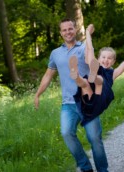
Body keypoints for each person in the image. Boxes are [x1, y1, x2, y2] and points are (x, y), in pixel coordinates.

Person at [34, 19, 108, 172]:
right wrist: (38, 94)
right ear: (60, 33)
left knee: (95, 139)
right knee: (66, 133)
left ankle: (103, 170)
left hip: (88, 101)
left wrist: (88, 35)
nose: (68, 32)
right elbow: (48, 75)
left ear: (75, 30)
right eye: (64, 30)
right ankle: (85, 167)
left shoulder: (84, 47)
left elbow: (91, 59)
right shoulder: (55, 53)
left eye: (70, 29)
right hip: (68, 103)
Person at [69, 24, 124, 126]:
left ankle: (93, 76)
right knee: (84, 83)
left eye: (109, 58)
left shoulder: (113, 73)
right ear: (99, 58)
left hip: (100, 100)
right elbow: (90, 49)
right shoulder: (95, 64)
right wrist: (88, 33)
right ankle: (75, 75)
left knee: (98, 80)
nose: (106, 60)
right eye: (103, 57)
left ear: (114, 61)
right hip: (88, 103)